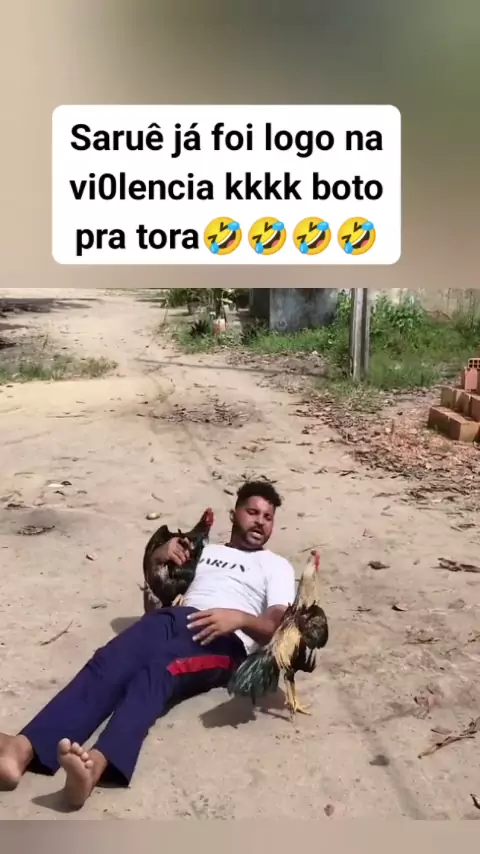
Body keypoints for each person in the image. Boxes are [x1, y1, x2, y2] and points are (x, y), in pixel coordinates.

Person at [0, 480, 295, 809]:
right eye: (253, 512)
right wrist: (158, 558)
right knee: (109, 661)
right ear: (235, 513)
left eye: (268, 517)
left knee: (159, 671)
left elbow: (276, 627)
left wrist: (238, 619)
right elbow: (157, 594)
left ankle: (96, 765)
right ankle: (21, 750)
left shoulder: (276, 566)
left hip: (223, 640)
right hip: (170, 618)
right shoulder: (206, 552)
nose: (260, 521)